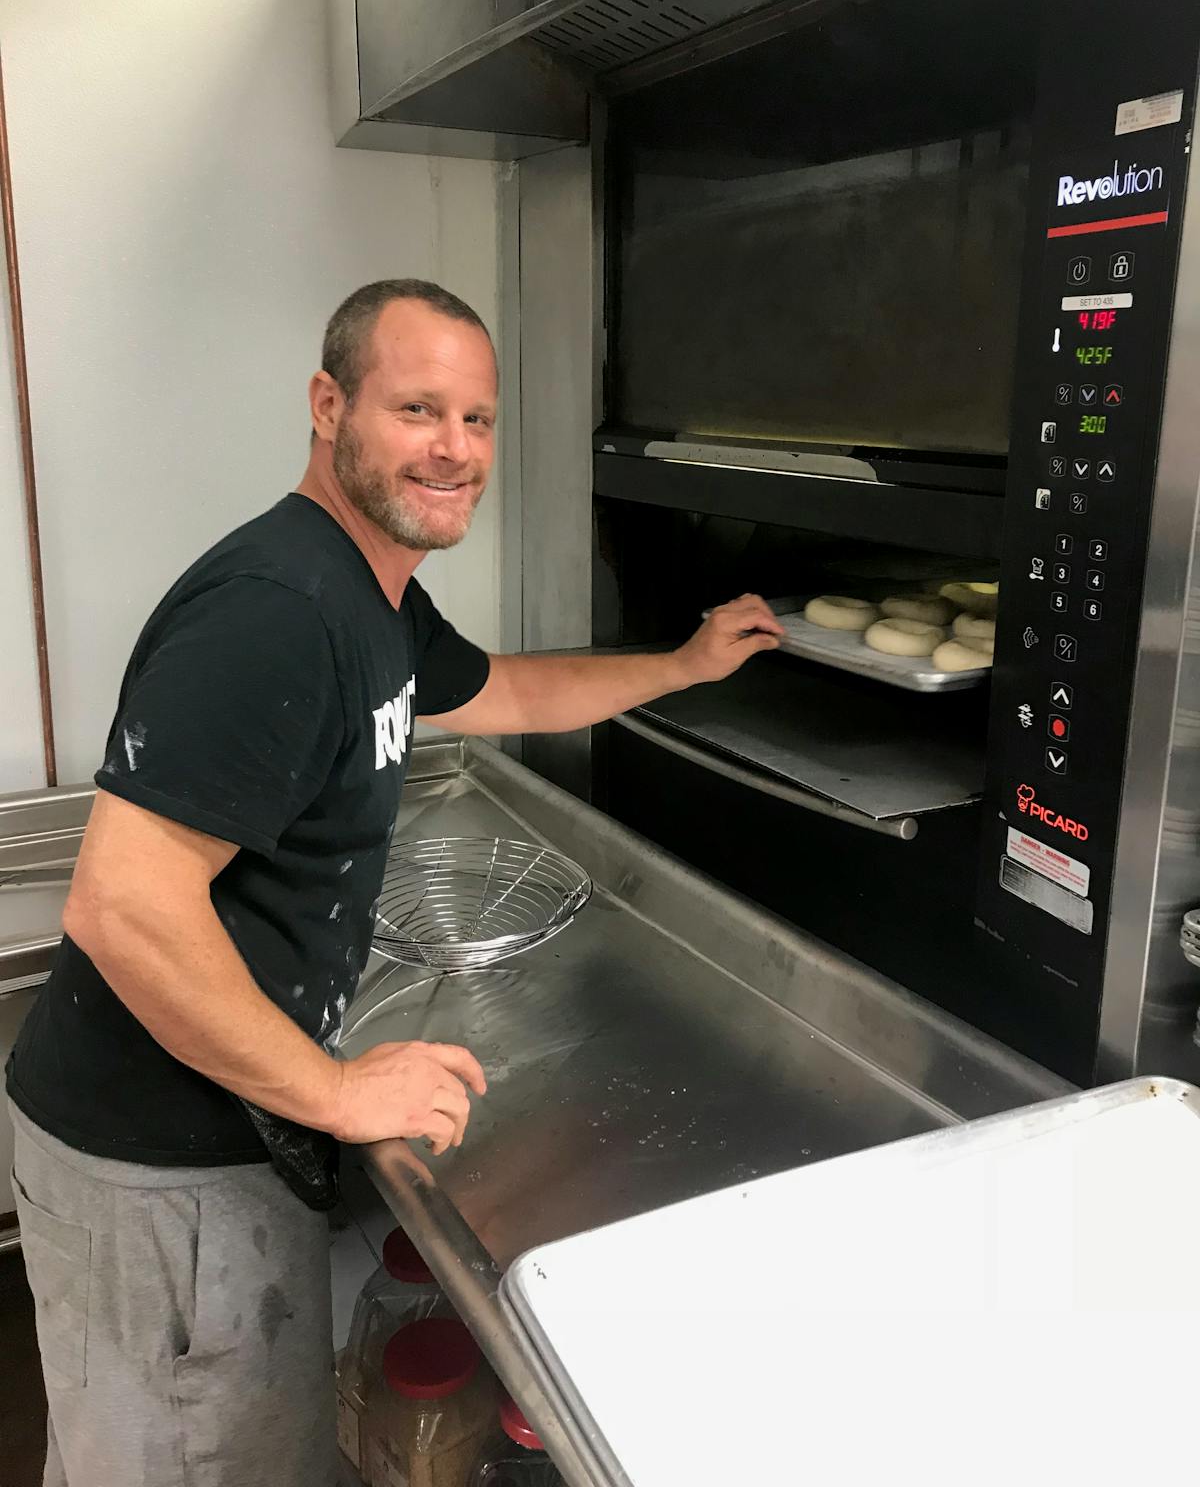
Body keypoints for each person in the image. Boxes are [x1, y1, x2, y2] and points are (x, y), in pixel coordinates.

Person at [5, 279, 782, 1486]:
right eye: (418, 409)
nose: (455, 450)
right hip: (151, 1166)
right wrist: (332, 1087)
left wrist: (683, 664)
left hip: (217, 1137)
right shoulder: (278, 609)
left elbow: (512, 693)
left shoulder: (378, 598)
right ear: (329, 407)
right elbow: (121, 905)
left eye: (475, 420)